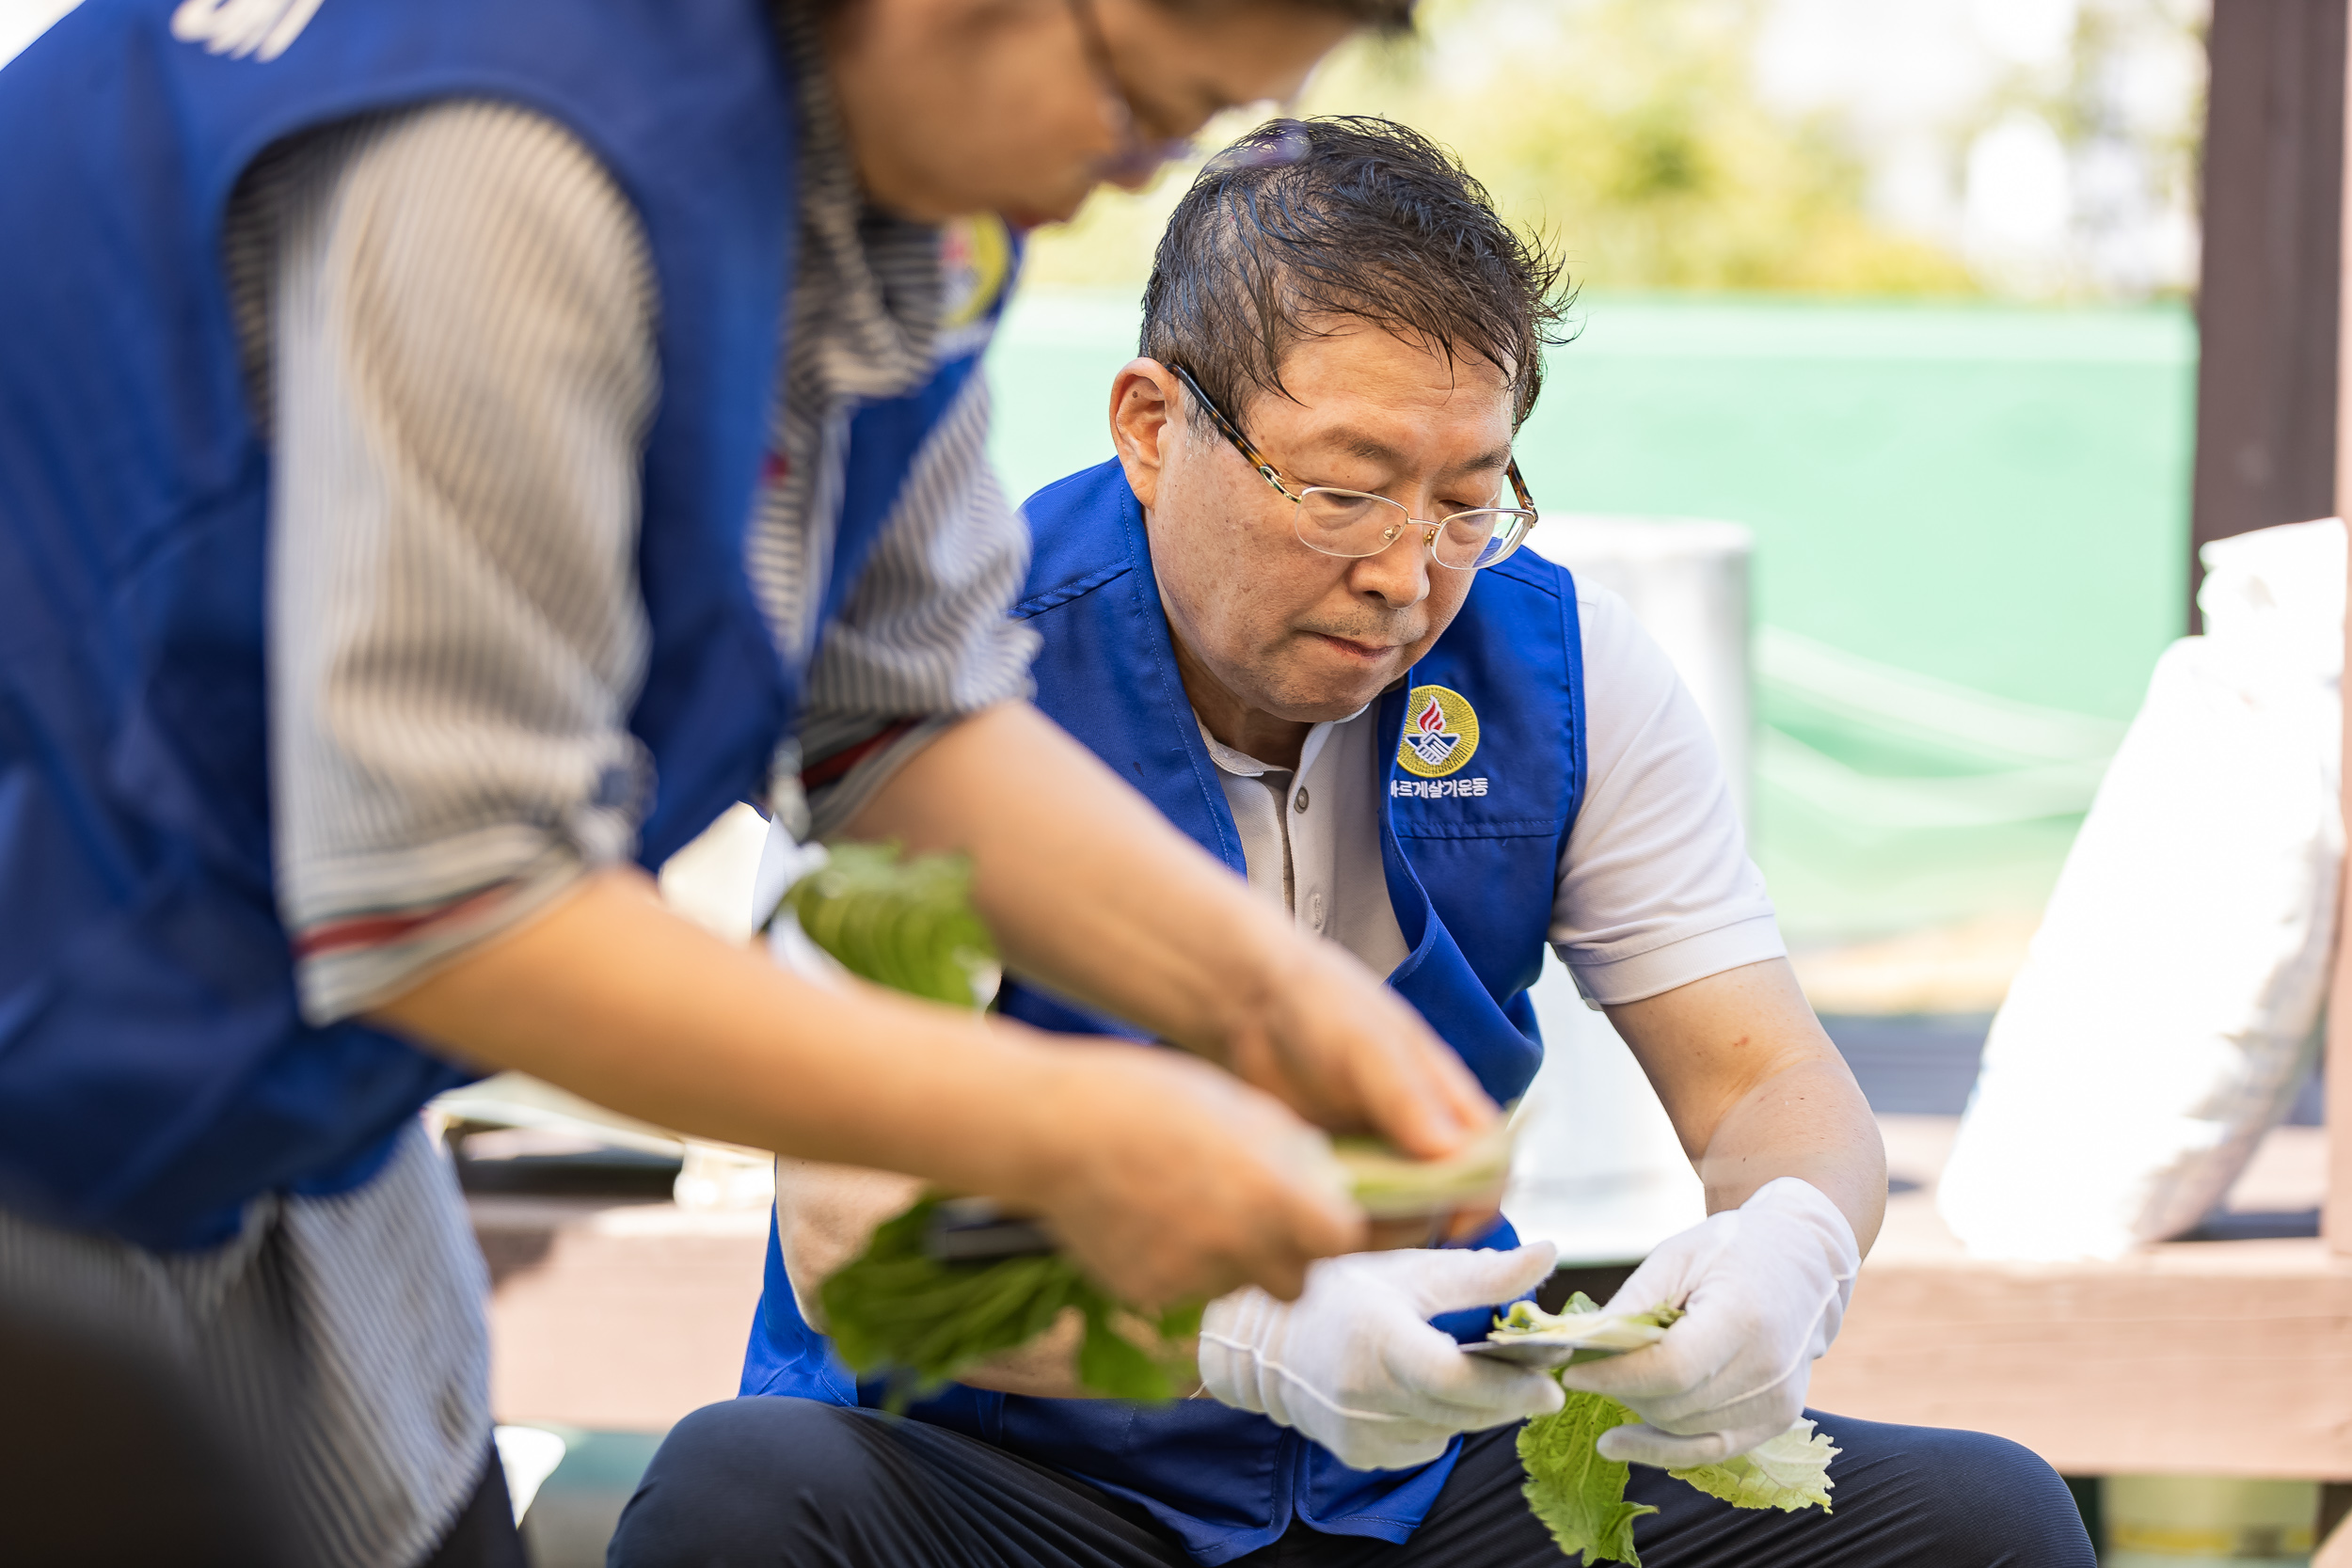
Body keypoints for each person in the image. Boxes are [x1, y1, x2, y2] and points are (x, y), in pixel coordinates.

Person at [0, 6, 1495, 1565]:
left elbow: (895, 714)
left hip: (257, 1122)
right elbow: (453, 900)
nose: (1132, 175)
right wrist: (1065, 1128)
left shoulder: (896, 216)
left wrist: (1273, 1004)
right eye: (1136, 100)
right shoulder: (514, 153)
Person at [608, 118, 2099, 1567]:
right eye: (1343, 491)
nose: (1405, 574)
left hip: (1410, 1466)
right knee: (744, 1493)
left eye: (1466, 501)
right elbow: (856, 1235)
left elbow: (1771, 1085)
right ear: (1150, 425)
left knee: (1985, 1520)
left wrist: (1792, 1249)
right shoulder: (936, 668)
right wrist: (1236, 1338)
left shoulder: (1569, 670)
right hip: (1011, 1475)